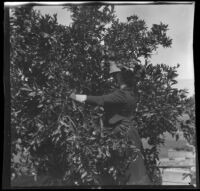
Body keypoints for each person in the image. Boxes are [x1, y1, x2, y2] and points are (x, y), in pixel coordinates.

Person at [69, 58, 152, 185]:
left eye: (116, 75)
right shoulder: (134, 92)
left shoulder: (122, 94)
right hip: (131, 133)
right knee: (135, 169)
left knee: (126, 170)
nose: (115, 78)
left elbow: (99, 100)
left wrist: (73, 96)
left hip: (122, 134)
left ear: (122, 77)